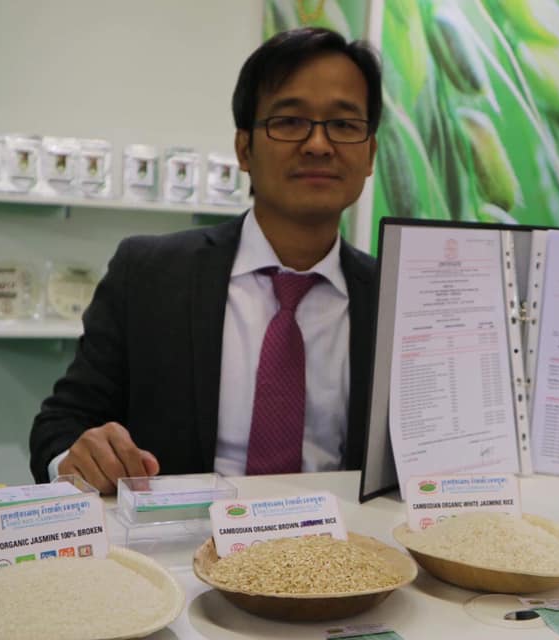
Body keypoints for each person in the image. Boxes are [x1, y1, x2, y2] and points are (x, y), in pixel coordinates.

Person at [29, 27, 381, 493]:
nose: (318, 144)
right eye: (290, 121)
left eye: (344, 125)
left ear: (370, 153)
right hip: (180, 535)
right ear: (244, 149)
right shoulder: (149, 273)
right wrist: (77, 458)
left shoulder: (395, 298)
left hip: (343, 537)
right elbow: (61, 423)